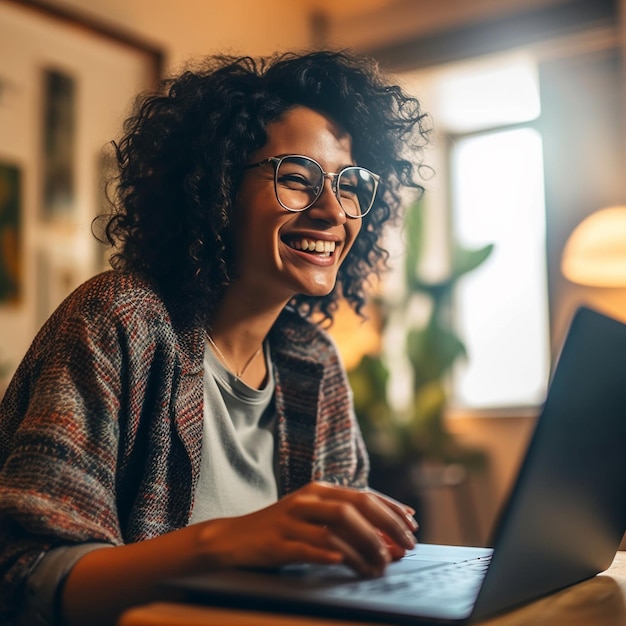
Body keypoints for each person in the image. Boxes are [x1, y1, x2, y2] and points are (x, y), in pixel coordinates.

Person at [0, 49, 431, 626]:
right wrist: (225, 543)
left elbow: (334, 571)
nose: (334, 210)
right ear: (216, 189)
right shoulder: (119, 321)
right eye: (298, 180)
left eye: (351, 186)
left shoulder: (313, 364)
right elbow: (25, 578)